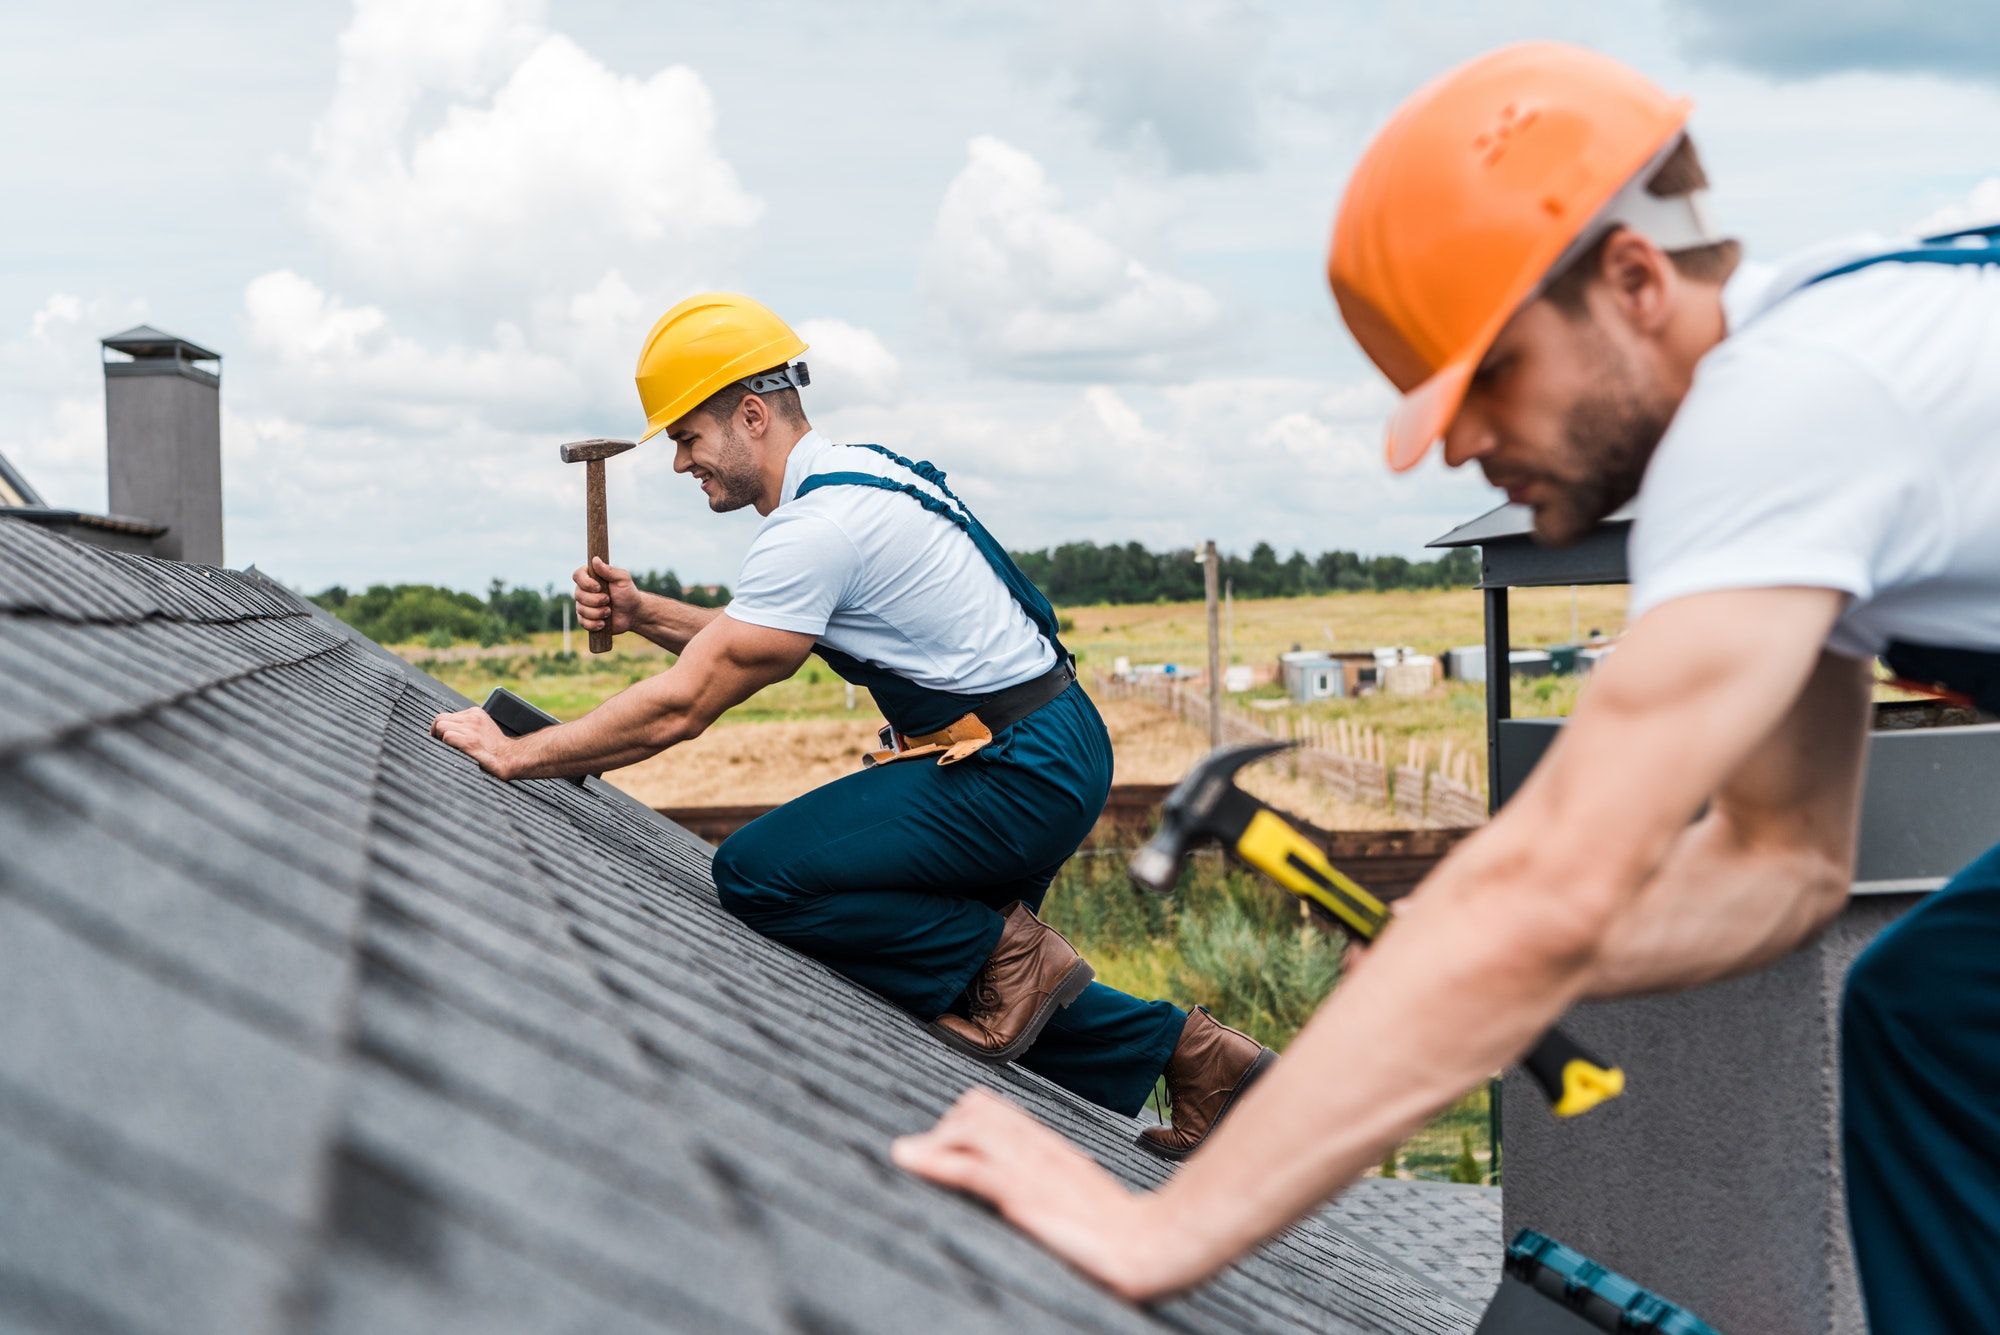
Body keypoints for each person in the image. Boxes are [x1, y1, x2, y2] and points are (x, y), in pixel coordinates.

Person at [892, 42, 2000, 1330]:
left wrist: (1170, 1230)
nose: (1462, 443)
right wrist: (1463, 974)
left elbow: (1543, 887)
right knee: (1930, 1015)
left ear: (1631, 279)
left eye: (1492, 377)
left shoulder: (1780, 415)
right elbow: (1777, 866)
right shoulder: (1834, 386)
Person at [431, 292, 1272, 1154]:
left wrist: (517, 751)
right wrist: (642, 609)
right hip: (1050, 743)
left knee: (763, 874)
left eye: (686, 437)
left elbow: (688, 701)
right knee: (974, 985)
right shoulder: (862, 476)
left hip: (1016, 771)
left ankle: (1010, 956)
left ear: (750, 415)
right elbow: (749, 638)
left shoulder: (818, 527)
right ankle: (1205, 1062)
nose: (682, 462)